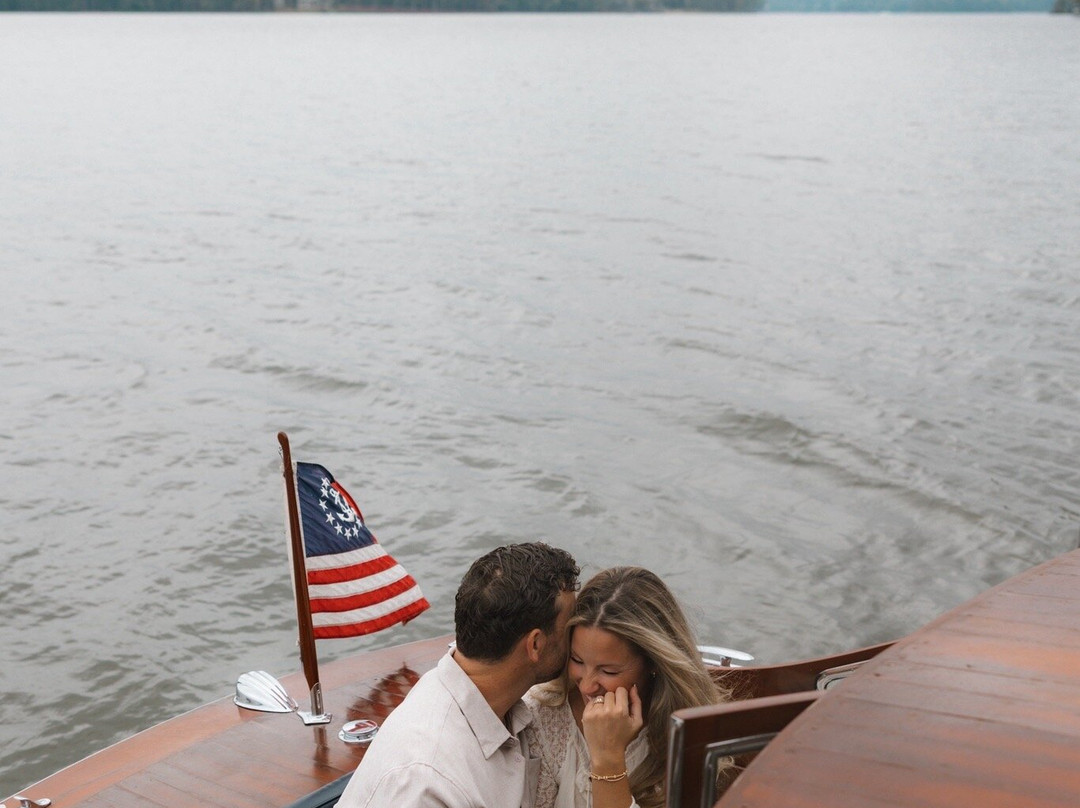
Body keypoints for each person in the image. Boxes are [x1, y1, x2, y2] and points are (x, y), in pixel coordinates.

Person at [337, 542, 580, 808]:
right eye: (570, 625)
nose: (577, 639)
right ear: (535, 644)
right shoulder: (425, 783)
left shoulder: (497, 702)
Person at [524, 567, 731, 808]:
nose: (588, 686)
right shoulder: (541, 713)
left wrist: (607, 758)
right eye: (577, 660)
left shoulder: (686, 732)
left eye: (608, 671)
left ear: (653, 663)